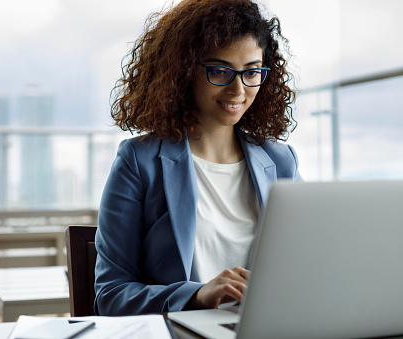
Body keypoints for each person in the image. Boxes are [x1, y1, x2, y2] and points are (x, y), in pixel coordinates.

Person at [94, 0, 302, 316]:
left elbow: (311, 264)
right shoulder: (140, 162)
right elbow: (111, 295)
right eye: (220, 70)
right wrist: (197, 296)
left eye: (252, 72)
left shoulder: (281, 161)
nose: (238, 89)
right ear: (183, 69)